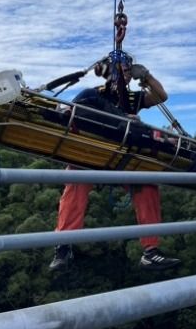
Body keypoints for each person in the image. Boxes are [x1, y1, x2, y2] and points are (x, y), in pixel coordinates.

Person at [50, 52, 180, 271]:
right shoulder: (91, 95)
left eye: (129, 72)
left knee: (147, 186)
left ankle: (151, 251)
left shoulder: (130, 99)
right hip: (92, 153)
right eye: (123, 71)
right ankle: (63, 246)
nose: (126, 76)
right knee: (74, 184)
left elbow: (160, 96)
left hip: (122, 156)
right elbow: (74, 116)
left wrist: (146, 77)